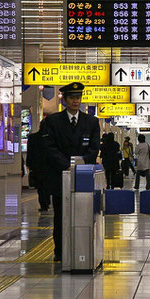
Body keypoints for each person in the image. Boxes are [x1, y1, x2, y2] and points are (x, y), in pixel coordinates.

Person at [41, 82, 100, 262]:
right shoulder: (52, 121)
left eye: (78, 97)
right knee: (61, 215)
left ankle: (82, 248)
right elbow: (48, 147)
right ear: (65, 100)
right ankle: (60, 250)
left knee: (84, 213)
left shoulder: (91, 122)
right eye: (72, 98)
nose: (76, 101)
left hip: (84, 177)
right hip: (61, 177)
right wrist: (66, 165)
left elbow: (94, 148)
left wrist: (79, 165)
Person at [26, 123, 51, 212]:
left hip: (37, 167)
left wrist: (29, 164)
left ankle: (43, 205)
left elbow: (30, 152)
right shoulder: (51, 138)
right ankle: (47, 202)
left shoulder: (33, 138)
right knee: (47, 185)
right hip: (49, 166)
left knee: (40, 187)